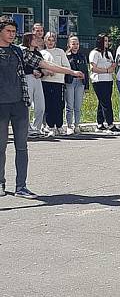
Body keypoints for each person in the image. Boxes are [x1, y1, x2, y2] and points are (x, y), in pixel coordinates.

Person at [0, 16, 84, 198]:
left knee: (22, 147)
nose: (12, 34)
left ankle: (21, 187)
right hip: (1, 105)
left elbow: (45, 64)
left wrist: (71, 71)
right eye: (8, 31)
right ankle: (0, 182)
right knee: (1, 146)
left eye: (14, 31)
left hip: (20, 104)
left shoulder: (19, 51)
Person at [41, 31, 70, 136]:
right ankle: (50, 126)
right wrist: (46, 71)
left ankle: (59, 125)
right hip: (46, 81)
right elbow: (40, 67)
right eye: (48, 40)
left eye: (52, 40)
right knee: (48, 104)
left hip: (58, 82)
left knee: (59, 104)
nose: (50, 42)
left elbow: (67, 66)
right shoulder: (42, 53)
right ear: (45, 41)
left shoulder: (60, 52)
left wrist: (56, 71)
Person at [89, 34, 119, 133]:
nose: (107, 43)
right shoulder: (95, 53)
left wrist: (112, 67)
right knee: (106, 102)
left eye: (107, 41)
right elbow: (93, 68)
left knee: (102, 102)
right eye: (105, 41)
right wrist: (106, 70)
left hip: (108, 80)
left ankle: (100, 123)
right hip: (99, 80)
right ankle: (110, 124)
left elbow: (112, 65)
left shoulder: (108, 53)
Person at [21, 32, 46, 137]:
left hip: (37, 79)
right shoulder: (23, 52)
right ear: (28, 41)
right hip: (27, 78)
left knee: (41, 106)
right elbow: (21, 67)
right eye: (34, 39)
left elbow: (42, 67)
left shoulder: (38, 53)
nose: (36, 40)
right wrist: (32, 71)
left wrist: (40, 73)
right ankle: (27, 128)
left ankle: (37, 128)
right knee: (27, 104)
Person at [65, 35, 89, 135]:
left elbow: (86, 71)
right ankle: (69, 125)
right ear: (69, 44)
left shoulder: (82, 56)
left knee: (78, 106)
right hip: (70, 82)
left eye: (77, 44)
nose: (75, 46)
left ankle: (77, 125)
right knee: (69, 105)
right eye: (73, 44)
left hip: (80, 82)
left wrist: (86, 85)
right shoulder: (66, 56)